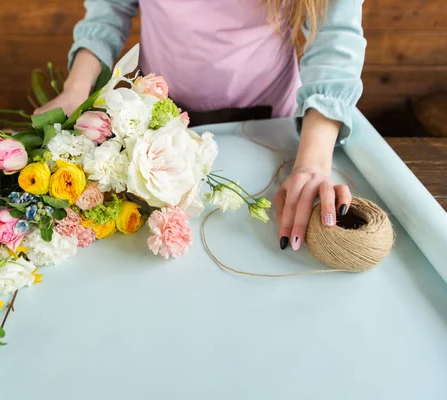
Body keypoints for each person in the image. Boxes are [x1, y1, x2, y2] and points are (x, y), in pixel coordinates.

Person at [34, 0, 366, 252]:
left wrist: (313, 165)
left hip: (267, 127)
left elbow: (334, 37)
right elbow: (108, 12)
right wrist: (75, 91)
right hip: (158, 124)